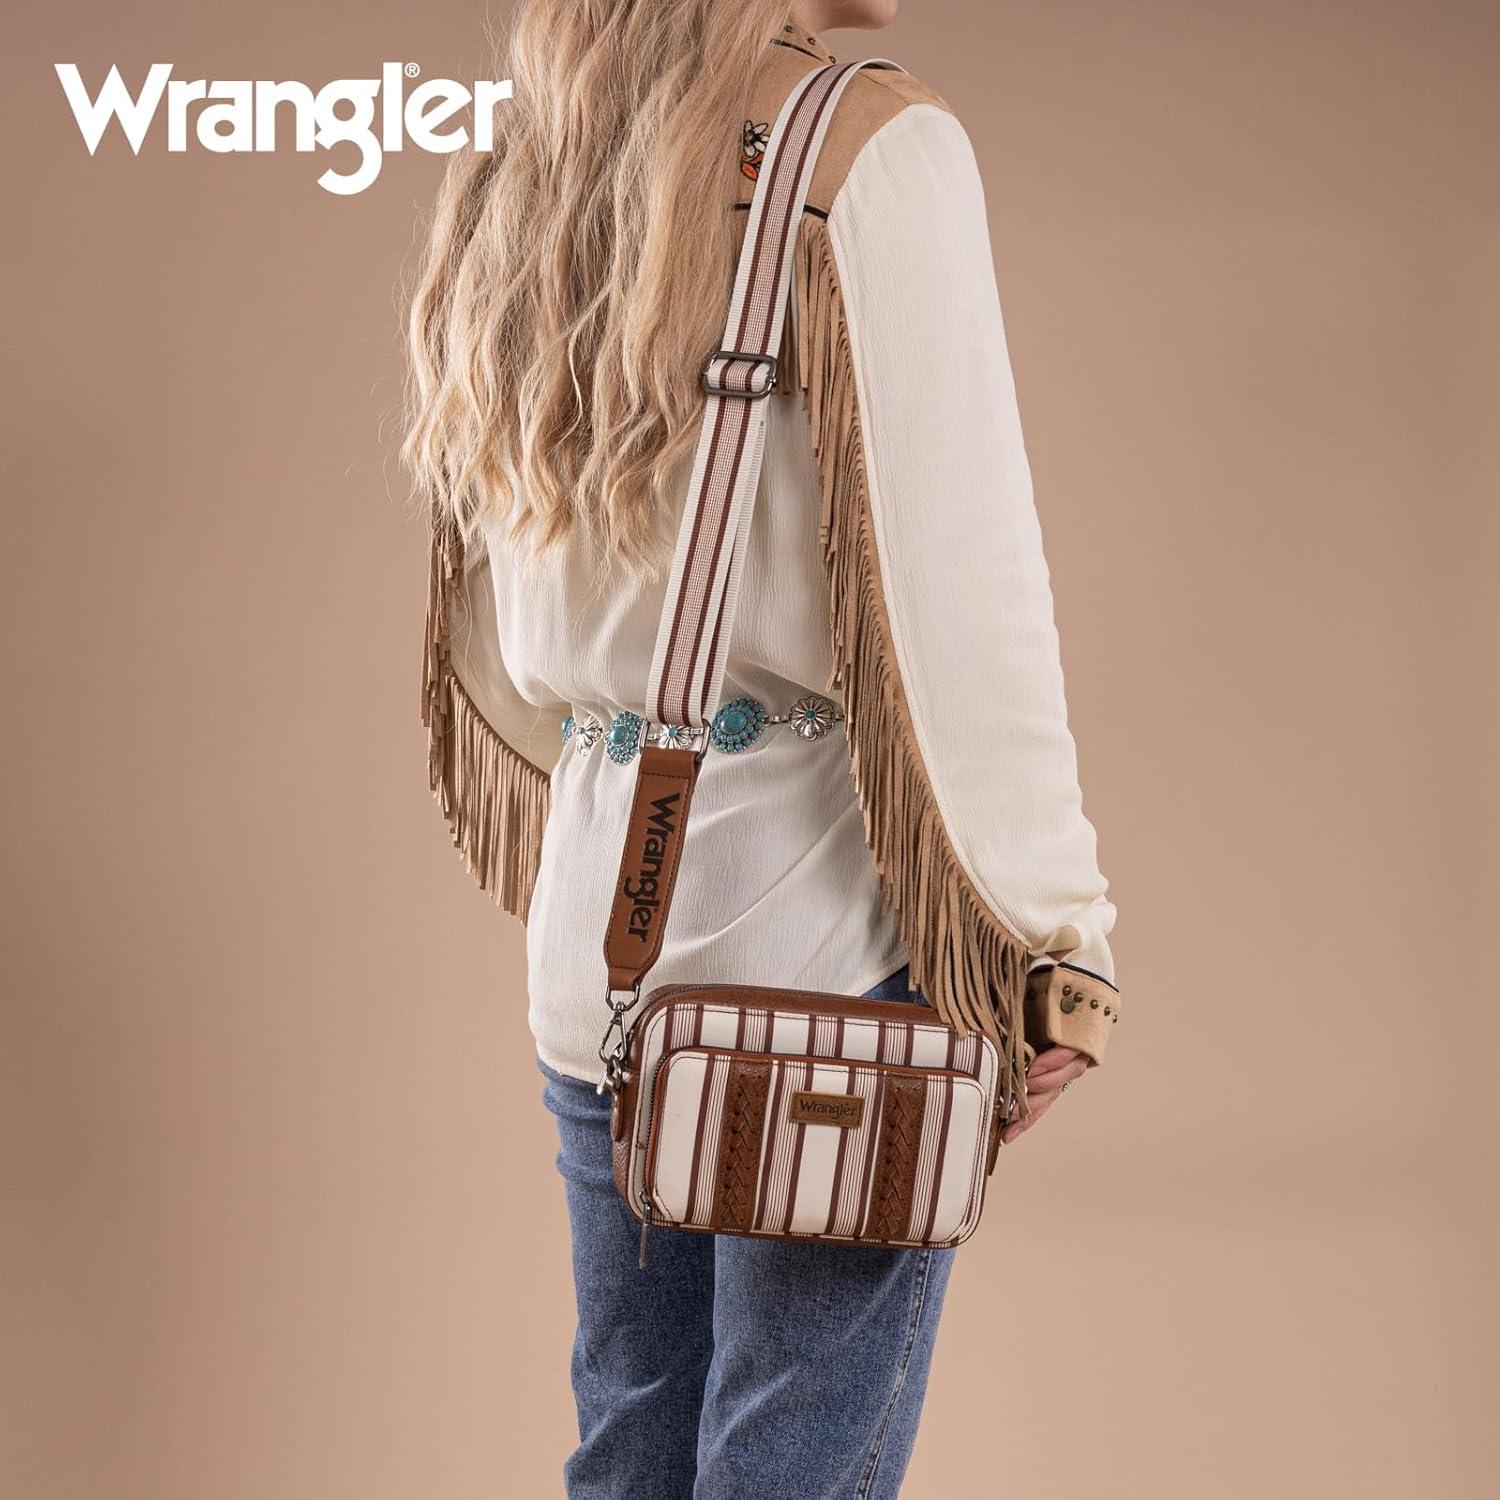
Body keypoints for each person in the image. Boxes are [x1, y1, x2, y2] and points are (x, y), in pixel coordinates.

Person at [406, 2, 1121, 1494]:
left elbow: (493, 587)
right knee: (784, 1469)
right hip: (818, 937)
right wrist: (1051, 938)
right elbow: (964, 583)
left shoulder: (532, 153)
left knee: (632, 1448)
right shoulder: (867, 141)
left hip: (601, 929)